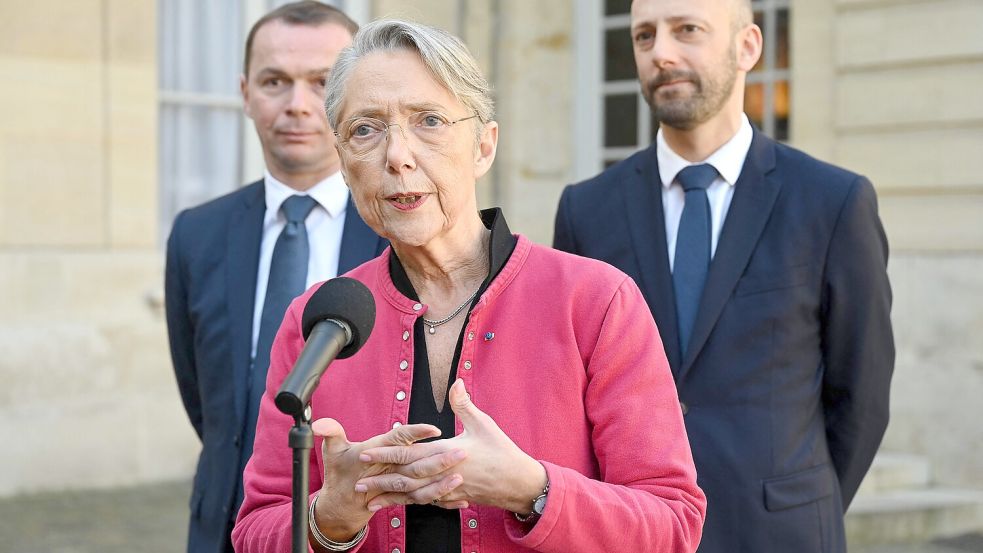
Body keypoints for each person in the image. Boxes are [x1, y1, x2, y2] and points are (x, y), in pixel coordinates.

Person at [232, 19, 705, 553]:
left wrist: (532, 490)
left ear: (484, 145)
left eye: (429, 121)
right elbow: (254, 530)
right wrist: (329, 517)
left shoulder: (595, 301)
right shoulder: (314, 322)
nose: (397, 156)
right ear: (342, 162)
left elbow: (673, 525)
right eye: (365, 129)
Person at [553, 0, 895, 551]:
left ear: (747, 47)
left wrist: (808, 504)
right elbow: (569, 394)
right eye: (644, 36)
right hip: (633, 531)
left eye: (686, 30)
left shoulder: (833, 203)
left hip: (782, 532)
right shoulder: (585, 210)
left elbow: (861, 396)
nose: (661, 52)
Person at [164, 3, 387, 553]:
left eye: (321, 83)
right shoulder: (197, 234)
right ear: (245, 93)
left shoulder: (399, 230)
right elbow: (205, 398)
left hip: (360, 528)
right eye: (274, 81)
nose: (297, 105)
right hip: (221, 525)